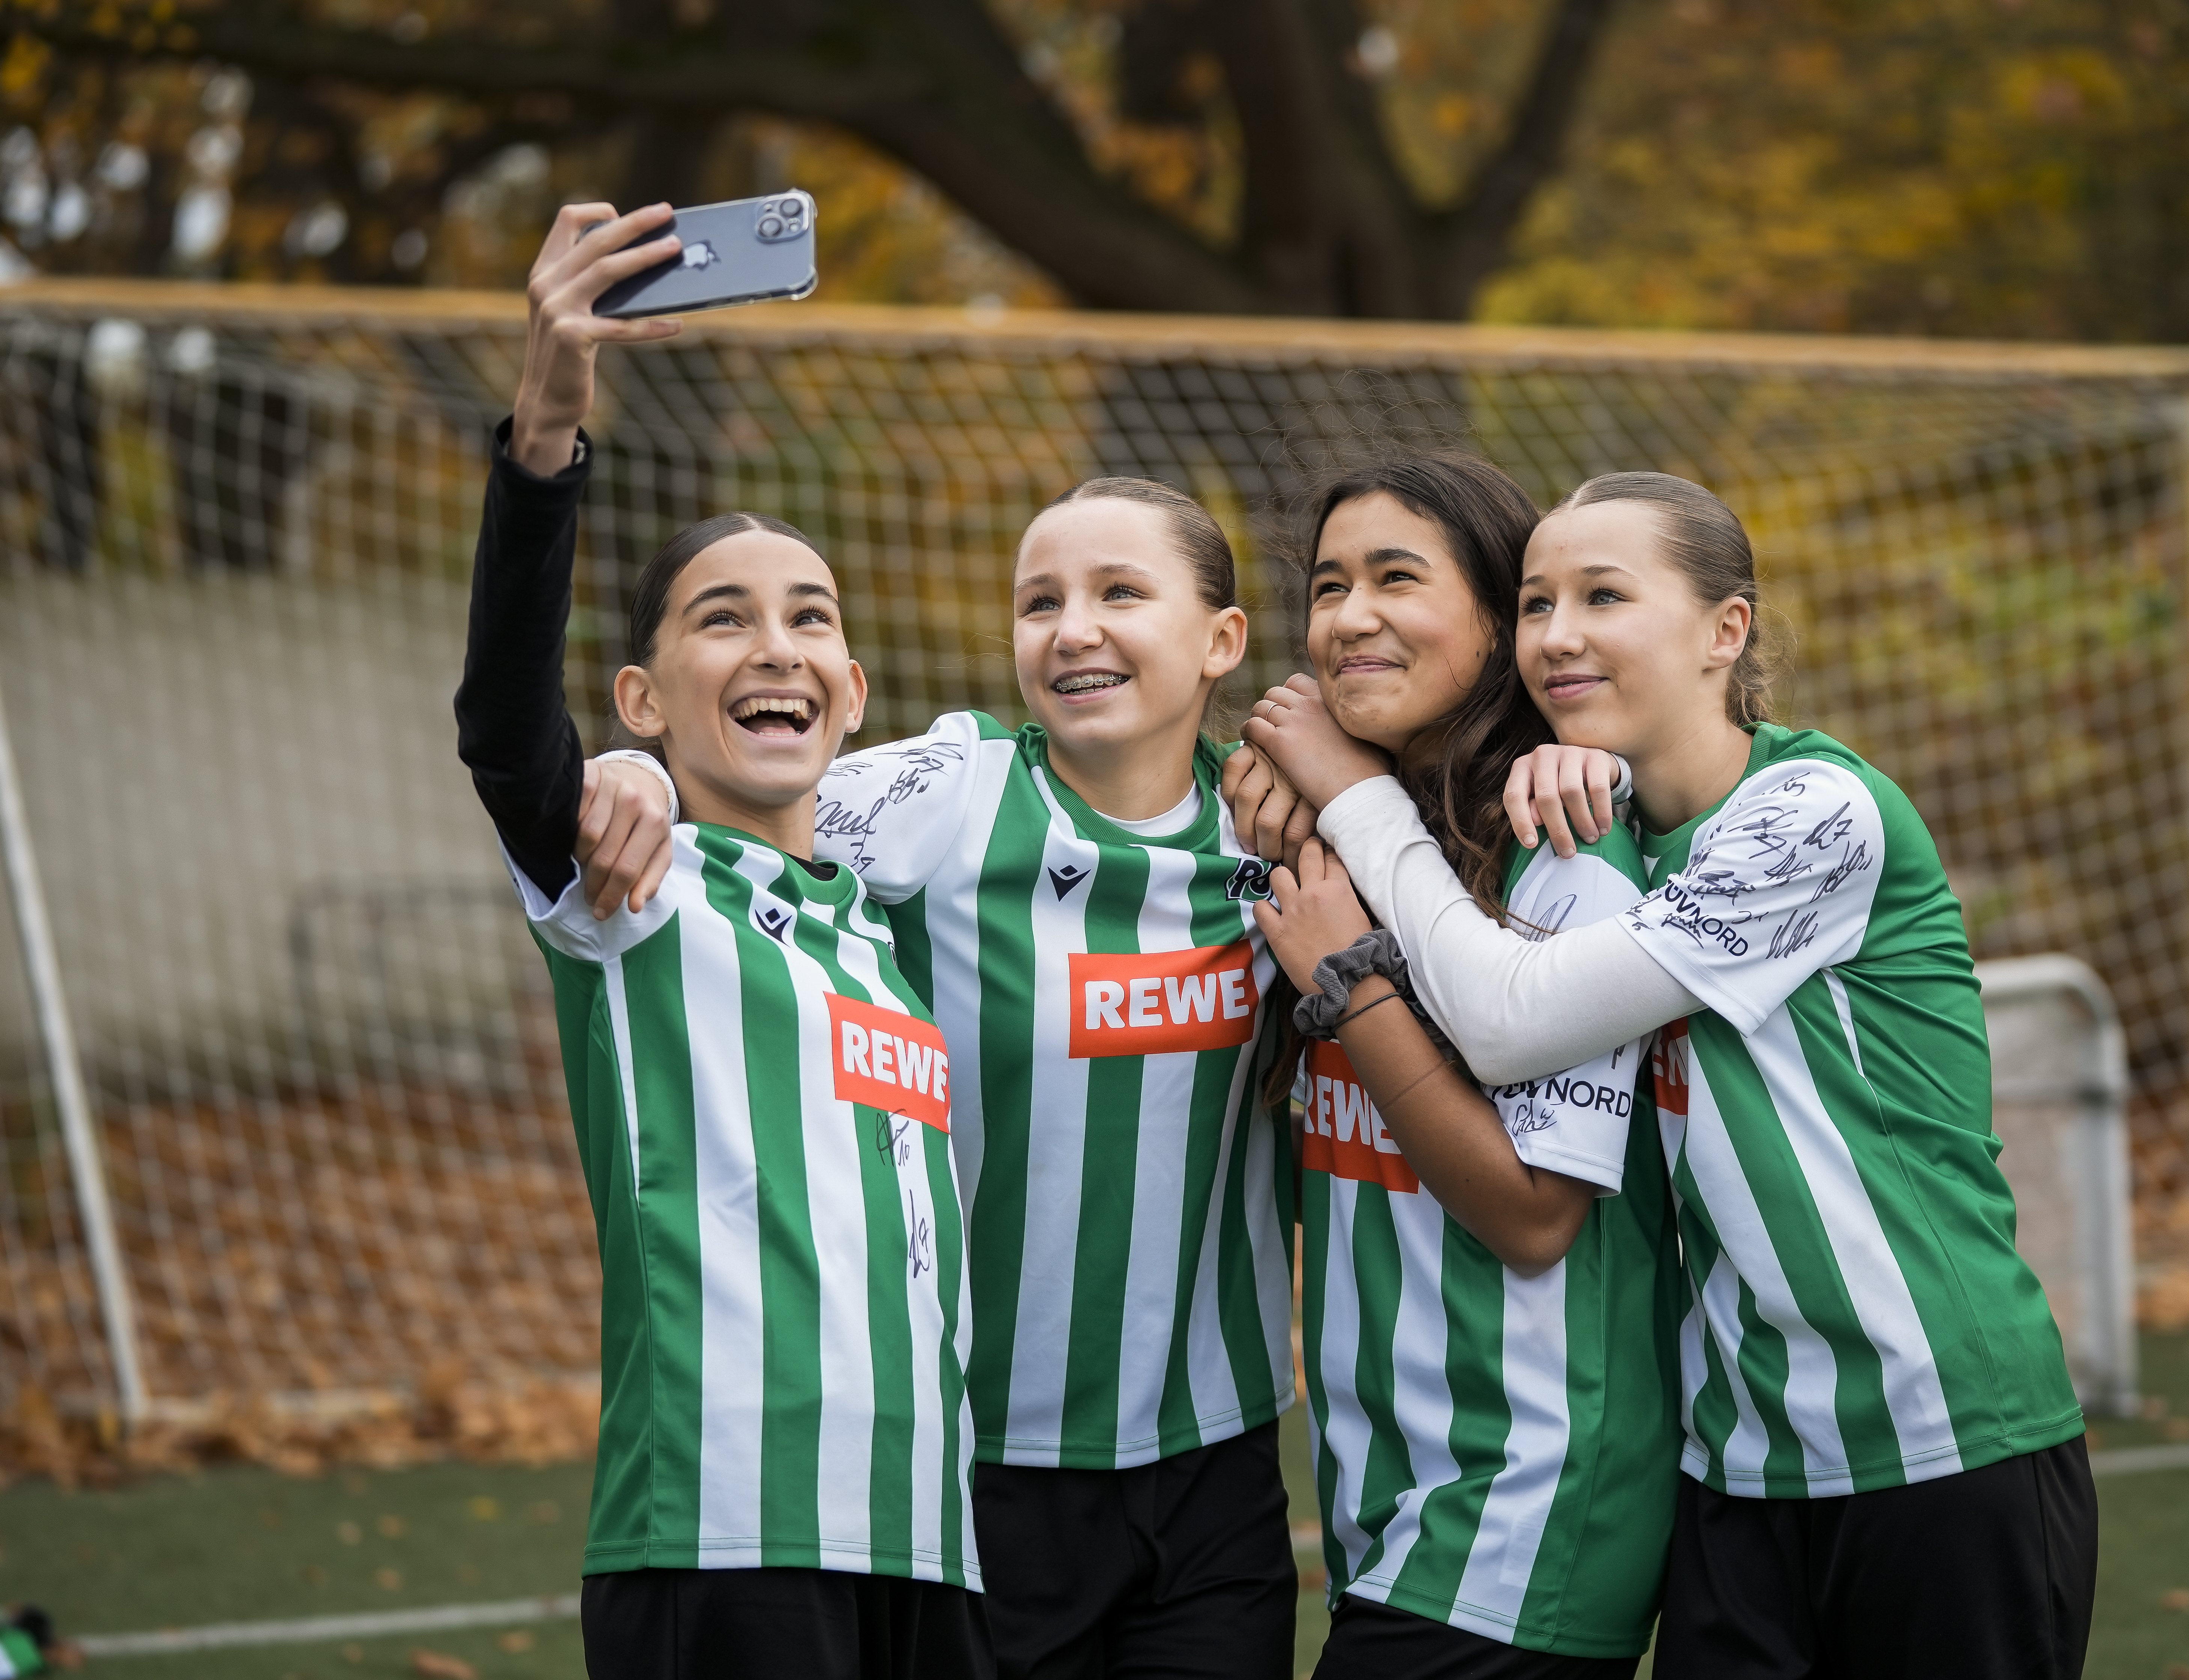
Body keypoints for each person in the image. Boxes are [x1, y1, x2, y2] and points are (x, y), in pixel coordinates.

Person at [1238, 470, 2098, 1679]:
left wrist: (1360, 796)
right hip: (1738, 1462)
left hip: (1943, 1435)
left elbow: (1502, 1013)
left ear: (1724, 629)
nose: (1559, 636)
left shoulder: (1816, 811)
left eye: (1603, 597)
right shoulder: (1606, 826)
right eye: (1536, 605)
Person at [572, 485, 1300, 1676]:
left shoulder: (1287, 822)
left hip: (1215, 1459)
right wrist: (631, 774)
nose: (1073, 628)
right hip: (983, 1466)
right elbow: (736, 782)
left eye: (1120, 592)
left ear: (1221, 638)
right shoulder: (946, 796)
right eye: (1040, 602)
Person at [456, 203, 990, 1678]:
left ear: (853, 686)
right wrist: (549, 423)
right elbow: (505, 730)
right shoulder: (632, 882)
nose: (776, 646)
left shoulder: (882, 936)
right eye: (723, 620)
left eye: (810, 618)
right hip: (721, 1548)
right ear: (641, 699)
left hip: (922, 1546)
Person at [1246, 454, 1679, 1680]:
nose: (1350, 616)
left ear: (1501, 620)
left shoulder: (1568, 858)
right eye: (1329, 586)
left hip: (1527, 1501)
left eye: (1398, 578)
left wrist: (1353, 989)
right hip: (1391, 1504)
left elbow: (1535, 1216)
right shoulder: (1338, 839)